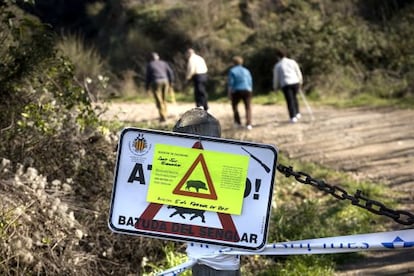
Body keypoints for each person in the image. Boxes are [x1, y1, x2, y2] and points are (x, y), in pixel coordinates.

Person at [272, 48, 303, 123]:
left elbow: (276, 77)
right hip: (295, 82)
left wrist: (275, 87)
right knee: (294, 97)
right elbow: (298, 71)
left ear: (278, 56)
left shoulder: (278, 65)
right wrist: (300, 81)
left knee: (290, 100)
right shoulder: (292, 62)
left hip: (286, 83)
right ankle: (297, 113)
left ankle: (293, 116)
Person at [145, 52, 174, 122]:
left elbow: (148, 77)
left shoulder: (150, 64)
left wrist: (147, 87)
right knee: (164, 99)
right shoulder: (164, 63)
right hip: (165, 81)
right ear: (158, 57)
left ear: (151, 58)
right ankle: (165, 114)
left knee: (159, 100)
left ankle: (163, 116)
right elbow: (170, 72)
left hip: (156, 82)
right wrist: (171, 82)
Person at [227, 56, 253, 130]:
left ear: (233, 63)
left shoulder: (232, 71)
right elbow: (250, 81)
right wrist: (250, 90)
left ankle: (238, 123)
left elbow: (231, 83)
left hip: (236, 90)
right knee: (248, 107)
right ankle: (249, 124)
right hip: (247, 90)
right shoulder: (246, 70)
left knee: (234, 106)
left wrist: (229, 93)